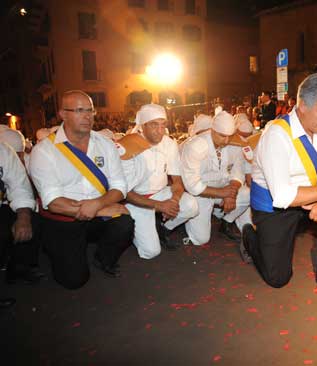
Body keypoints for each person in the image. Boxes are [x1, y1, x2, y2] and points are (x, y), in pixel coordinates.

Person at [242, 73, 317, 293]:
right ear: (302, 105)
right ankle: (250, 236)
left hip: (311, 200)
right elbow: (283, 196)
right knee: (278, 278)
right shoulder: (276, 134)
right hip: (275, 208)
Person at [29, 90, 134, 289]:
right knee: (73, 281)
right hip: (63, 219)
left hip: (97, 210)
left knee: (124, 224)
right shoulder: (44, 151)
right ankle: (57, 249)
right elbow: (53, 202)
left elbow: (120, 186)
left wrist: (99, 203)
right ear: (63, 114)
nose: (87, 116)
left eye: (90, 110)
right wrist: (102, 209)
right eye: (79, 110)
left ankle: (103, 258)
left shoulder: (105, 144)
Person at [122, 104, 199, 259]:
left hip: (160, 193)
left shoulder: (169, 143)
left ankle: (163, 228)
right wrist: (160, 206)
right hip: (135, 200)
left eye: (163, 125)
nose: (160, 131)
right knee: (150, 252)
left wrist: (174, 201)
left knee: (191, 206)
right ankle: (133, 230)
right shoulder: (127, 145)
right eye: (154, 125)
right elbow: (125, 193)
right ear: (143, 126)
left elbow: (177, 179)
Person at [179, 111, 251, 245]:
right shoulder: (195, 146)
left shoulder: (236, 143)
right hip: (201, 194)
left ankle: (226, 222)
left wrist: (231, 194)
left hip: (224, 189)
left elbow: (237, 172)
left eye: (230, 136)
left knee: (248, 194)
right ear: (212, 130)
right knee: (200, 239)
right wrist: (223, 193)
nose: (226, 141)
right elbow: (192, 185)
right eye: (222, 136)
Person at [0, 142, 38, 308]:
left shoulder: (2, 150)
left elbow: (18, 184)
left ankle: (18, 268)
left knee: (31, 216)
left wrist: (23, 217)